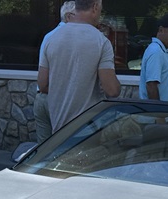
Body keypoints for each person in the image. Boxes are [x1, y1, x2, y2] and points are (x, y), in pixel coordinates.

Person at [38, 0, 121, 134]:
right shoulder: (101, 42)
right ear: (94, 7)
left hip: (59, 131)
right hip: (87, 131)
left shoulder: (51, 38)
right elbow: (111, 90)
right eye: (100, 9)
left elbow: (42, 84)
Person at [34, 1, 76, 141]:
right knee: (64, 149)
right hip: (59, 99)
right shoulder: (71, 38)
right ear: (69, 16)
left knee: (44, 151)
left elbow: (42, 78)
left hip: (41, 97)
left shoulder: (49, 36)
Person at [138, 13, 168, 101]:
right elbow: (151, 86)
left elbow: (159, 85)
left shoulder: (163, 50)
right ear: (161, 30)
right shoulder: (156, 52)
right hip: (158, 114)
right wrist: (158, 112)